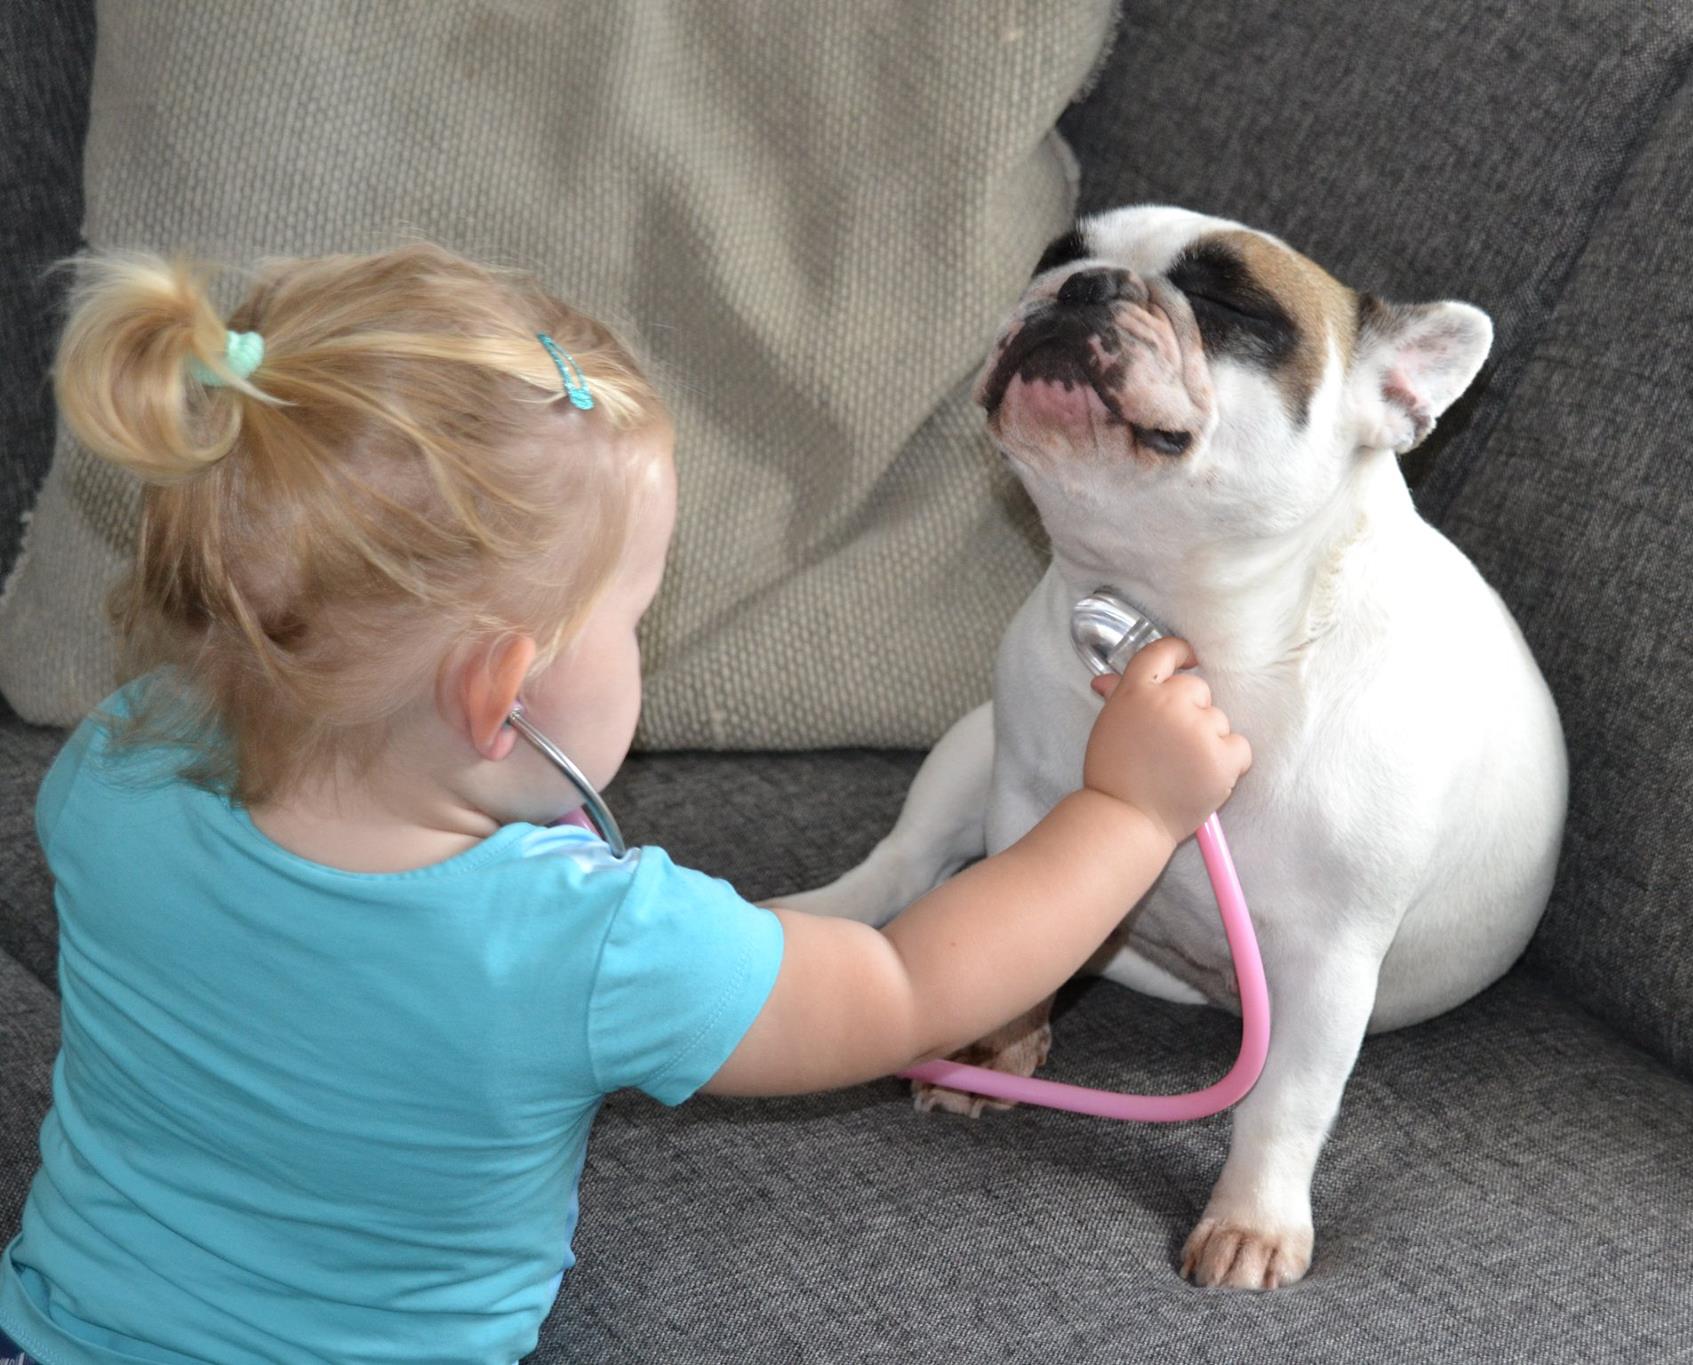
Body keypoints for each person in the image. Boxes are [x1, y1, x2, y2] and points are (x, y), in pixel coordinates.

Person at [0, 244, 1250, 1364]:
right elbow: (907, 986)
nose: (642, 649)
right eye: (633, 618)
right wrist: (1128, 811)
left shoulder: (108, 768)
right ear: (501, 695)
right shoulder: (588, 949)